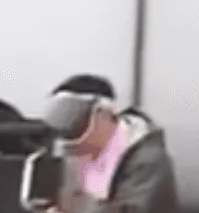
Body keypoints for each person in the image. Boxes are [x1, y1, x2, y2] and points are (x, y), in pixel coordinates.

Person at [41, 75, 178, 213]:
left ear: (103, 114)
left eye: (73, 118)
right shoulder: (72, 157)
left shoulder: (147, 161)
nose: (66, 131)